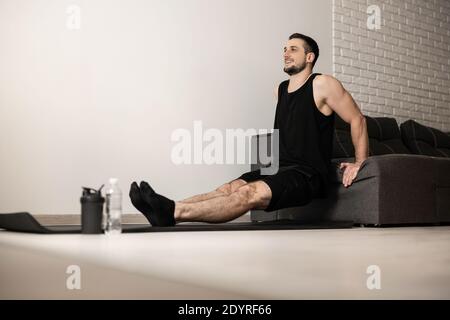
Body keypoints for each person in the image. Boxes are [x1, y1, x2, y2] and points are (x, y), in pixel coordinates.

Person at [129, 33, 369, 227]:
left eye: (293, 49)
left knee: (247, 195)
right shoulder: (281, 89)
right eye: (284, 49)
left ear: (310, 57)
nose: (286, 53)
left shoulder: (323, 84)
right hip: (277, 167)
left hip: (306, 175)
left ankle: (172, 211)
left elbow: (357, 118)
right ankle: (166, 206)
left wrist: (360, 162)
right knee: (229, 188)